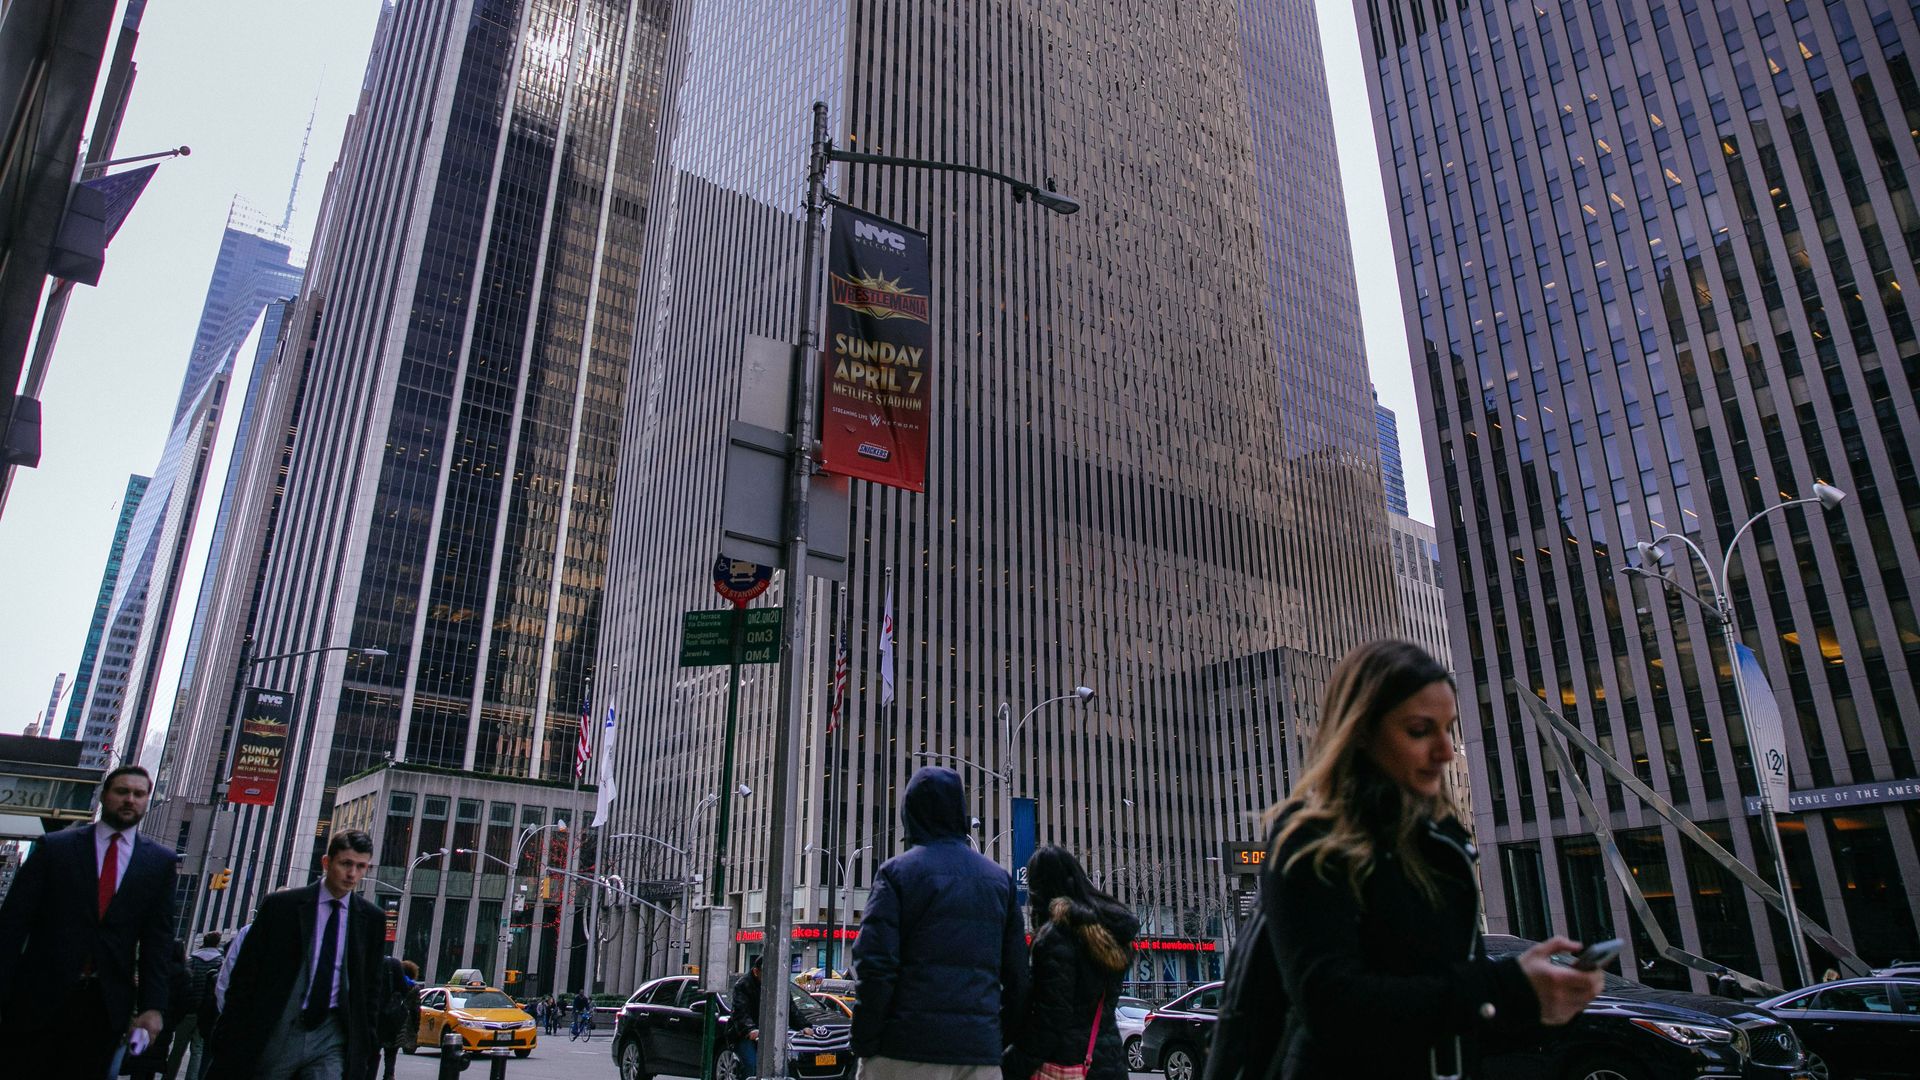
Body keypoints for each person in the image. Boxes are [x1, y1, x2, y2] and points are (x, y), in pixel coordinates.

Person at [1263, 640, 1602, 1078]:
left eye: (1449, 728)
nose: (1445, 751)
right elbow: (1332, 1007)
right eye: (1421, 731)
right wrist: (1507, 988)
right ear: (1361, 731)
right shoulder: (1312, 836)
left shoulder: (1440, 839)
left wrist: (1542, 999)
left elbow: (1447, 1002)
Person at [0, 764, 180, 1078]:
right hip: (37, 996)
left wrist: (153, 1007)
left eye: (139, 794)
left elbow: (157, 941)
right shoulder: (57, 848)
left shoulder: (159, 862)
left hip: (105, 1005)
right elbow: (12, 924)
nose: (130, 800)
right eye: (122, 791)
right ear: (103, 796)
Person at [850, 766, 1027, 1080]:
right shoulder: (1000, 882)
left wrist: (865, 1042)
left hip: (905, 1050)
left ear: (910, 814)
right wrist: (995, 1041)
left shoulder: (896, 874)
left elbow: (875, 966)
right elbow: (1017, 978)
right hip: (978, 1055)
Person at [206, 830, 385, 1080]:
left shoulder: (371, 919)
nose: (352, 874)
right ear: (327, 862)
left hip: (332, 1033)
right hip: (279, 1025)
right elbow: (246, 974)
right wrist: (230, 1031)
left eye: (361, 866)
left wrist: (367, 1041)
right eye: (346, 863)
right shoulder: (282, 907)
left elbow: (371, 988)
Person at [1003, 846, 1139, 1080]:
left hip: (1065, 1064)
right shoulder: (1109, 933)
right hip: (1108, 1063)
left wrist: (1010, 1065)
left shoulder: (1056, 938)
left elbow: (1051, 1018)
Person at [173, 931, 226, 1080]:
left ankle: (168, 1076)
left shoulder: (192, 959)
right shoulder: (219, 962)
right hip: (206, 1011)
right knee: (197, 1050)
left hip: (189, 1009)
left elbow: (184, 981)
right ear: (217, 943)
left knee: (177, 1049)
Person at [374, 957, 420, 1079]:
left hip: (381, 1020)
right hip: (399, 1024)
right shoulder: (413, 988)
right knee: (391, 1055)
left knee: (374, 1051)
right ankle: (389, 1076)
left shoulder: (388, 982)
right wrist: (415, 1028)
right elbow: (416, 1010)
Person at [728, 953, 764, 1073]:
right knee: (752, 1065)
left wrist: (804, 1025)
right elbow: (740, 1011)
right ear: (756, 971)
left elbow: (790, 1008)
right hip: (744, 1034)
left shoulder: (777, 986)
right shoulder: (743, 985)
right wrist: (750, 1029)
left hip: (767, 1034)